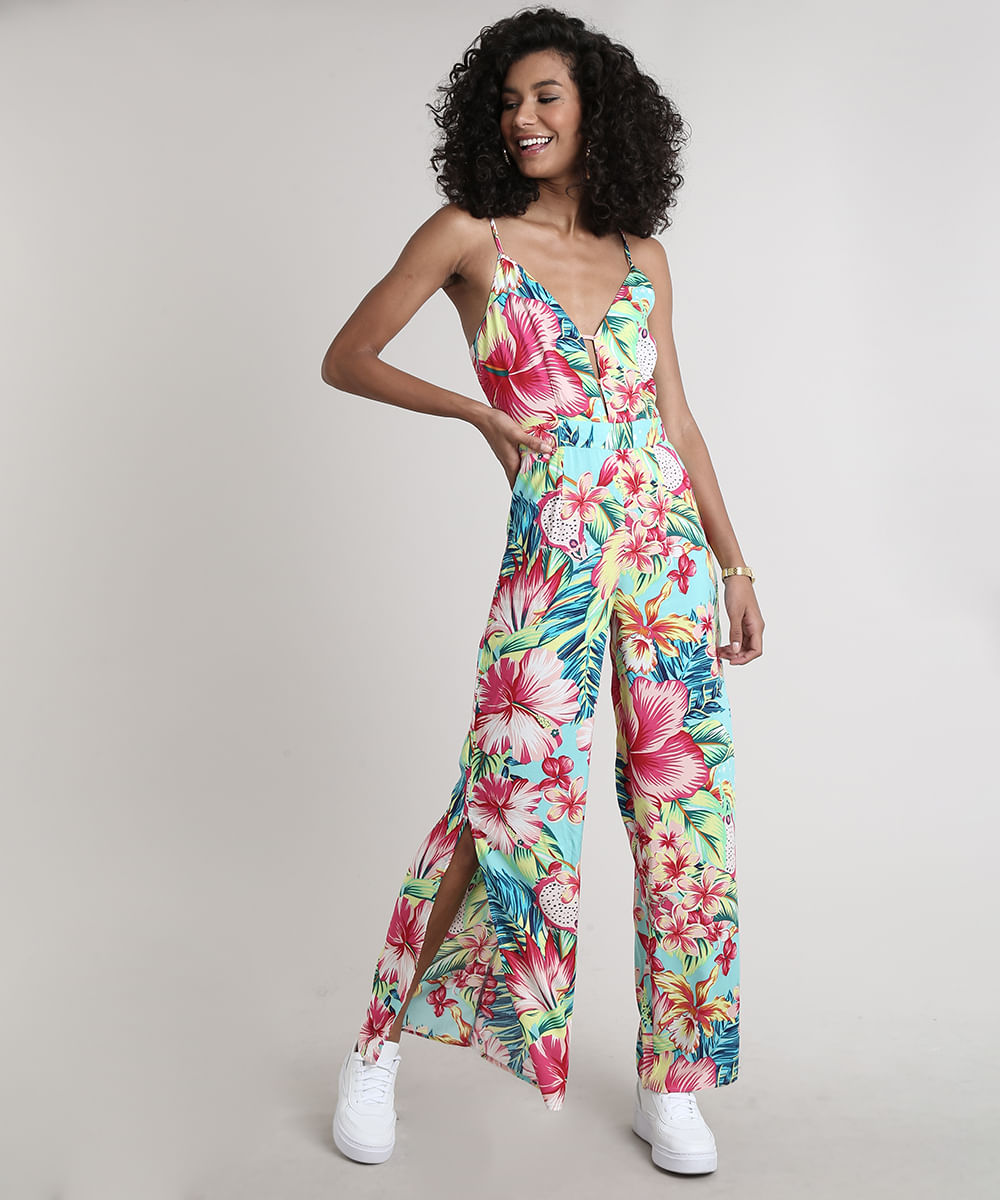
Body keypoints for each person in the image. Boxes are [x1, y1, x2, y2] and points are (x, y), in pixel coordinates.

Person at [321, 5, 764, 1175]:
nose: (523, 116)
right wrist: (477, 411)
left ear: (594, 110)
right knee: (501, 801)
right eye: (508, 100)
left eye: (546, 96)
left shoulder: (642, 257)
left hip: (665, 549)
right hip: (555, 549)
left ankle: (672, 1085)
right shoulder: (468, 235)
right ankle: (375, 1051)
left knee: (683, 816)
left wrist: (734, 564)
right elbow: (347, 356)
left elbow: (677, 425)